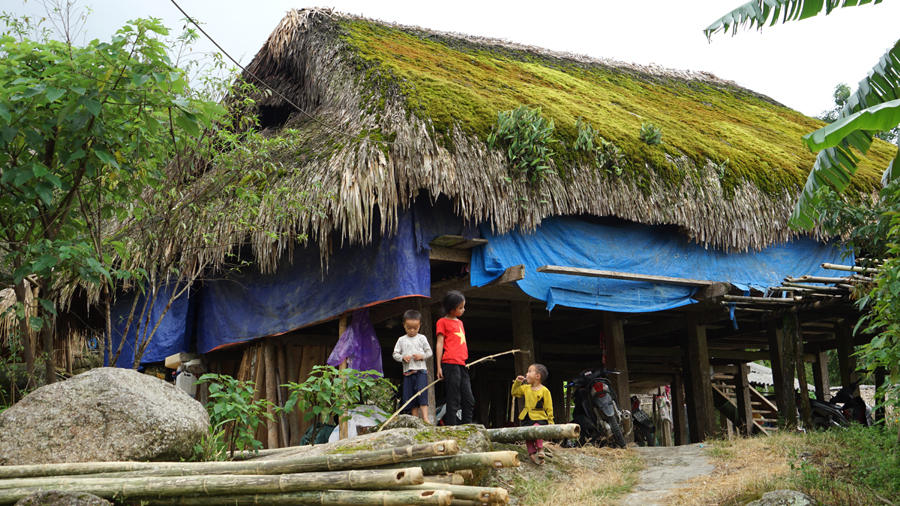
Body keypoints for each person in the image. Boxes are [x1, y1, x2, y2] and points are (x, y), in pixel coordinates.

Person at [436, 290, 474, 426]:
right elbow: (440, 344)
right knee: (454, 397)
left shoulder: (460, 323)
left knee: (468, 398)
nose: (463, 310)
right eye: (460, 307)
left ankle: (467, 427)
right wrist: (439, 366)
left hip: (461, 363)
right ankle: (451, 428)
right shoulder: (442, 322)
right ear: (451, 309)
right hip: (449, 363)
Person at [392, 310, 433, 422]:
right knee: (411, 396)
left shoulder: (422, 338)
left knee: (422, 393)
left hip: (421, 371)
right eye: (409, 327)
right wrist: (402, 357)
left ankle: (425, 418)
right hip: (408, 373)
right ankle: (416, 420)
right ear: (403, 325)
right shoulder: (401, 340)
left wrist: (422, 356)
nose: (412, 330)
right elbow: (395, 354)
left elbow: (429, 352)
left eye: (415, 328)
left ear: (420, 325)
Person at [512, 363, 554, 465]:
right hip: (527, 417)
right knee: (528, 436)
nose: (526, 374)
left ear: (537, 376)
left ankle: (540, 449)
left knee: (536, 430)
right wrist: (518, 382)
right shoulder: (525, 388)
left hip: (539, 418)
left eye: (530, 371)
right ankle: (532, 456)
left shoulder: (545, 391)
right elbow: (515, 393)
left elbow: (549, 407)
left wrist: (550, 421)